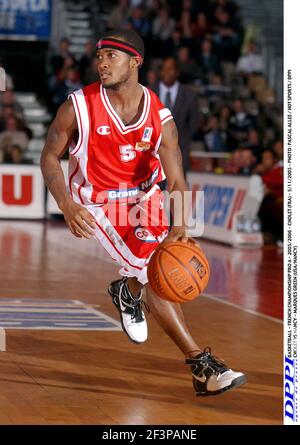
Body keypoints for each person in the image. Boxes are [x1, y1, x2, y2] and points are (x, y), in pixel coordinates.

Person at [40, 29, 246, 397]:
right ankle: (201, 365)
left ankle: (127, 290)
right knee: (153, 268)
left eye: (112, 57)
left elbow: (178, 182)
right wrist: (66, 204)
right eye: (99, 57)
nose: (102, 63)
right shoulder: (79, 106)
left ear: (135, 62)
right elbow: (49, 157)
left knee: (160, 265)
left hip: (146, 197)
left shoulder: (159, 116)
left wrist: (179, 227)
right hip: (98, 202)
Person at [152, 57, 199, 175]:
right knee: (153, 191)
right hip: (153, 153)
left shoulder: (189, 95)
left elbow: (194, 123)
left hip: (180, 151)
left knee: (179, 191)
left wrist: (182, 138)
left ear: (177, 72)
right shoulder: (149, 92)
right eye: (164, 69)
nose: (167, 72)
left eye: (170, 69)